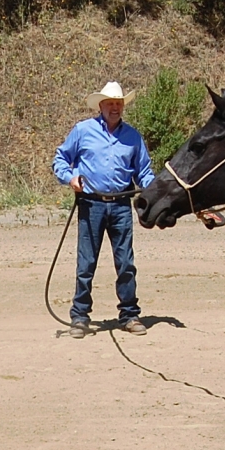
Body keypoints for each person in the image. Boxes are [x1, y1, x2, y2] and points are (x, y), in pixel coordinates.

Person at [53, 81, 155, 338]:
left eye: (119, 103)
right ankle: (80, 316)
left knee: (126, 263)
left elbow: (143, 172)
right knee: (86, 263)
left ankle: (130, 315)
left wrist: (155, 192)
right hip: (91, 204)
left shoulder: (133, 137)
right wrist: (70, 179)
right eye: (110, 103)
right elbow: (61, 159)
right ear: (100, 106)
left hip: (121, 205)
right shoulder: (82, 131)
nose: (115, 107)